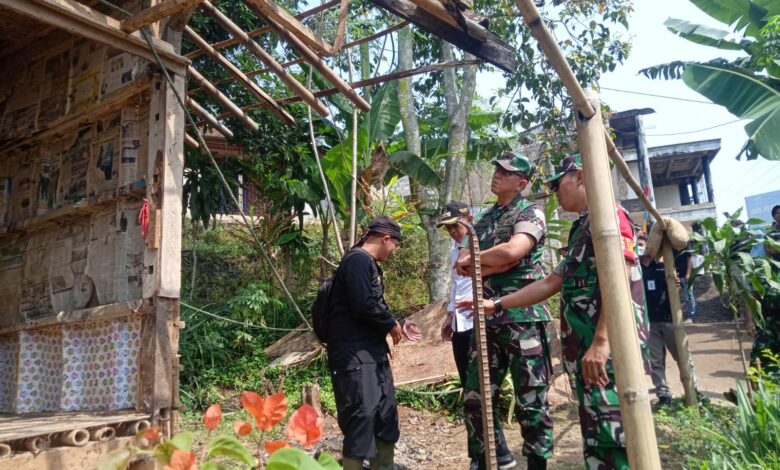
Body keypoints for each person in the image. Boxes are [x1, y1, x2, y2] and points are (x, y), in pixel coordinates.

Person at [459, 154, 650, 470]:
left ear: (581, 177)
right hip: (586, 344)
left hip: (606, 347)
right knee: (597, 434)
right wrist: (498, 303)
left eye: (558, 183)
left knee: (609, 434)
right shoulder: (584, 226)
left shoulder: (610, 219)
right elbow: (552, 281)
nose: (553, 192)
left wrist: (602, 343)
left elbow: (620, 281)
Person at [455, 152, 553, 470]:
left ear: (521, 183)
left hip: (523, 318)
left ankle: (538, 463)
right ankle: (486, 459)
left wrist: (479, 259)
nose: (496, 173)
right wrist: (488, 262)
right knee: (475, 396)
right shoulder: (483, 221)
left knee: (530, 402)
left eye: (505, 172)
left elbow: (514, 250)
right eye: (496, 168)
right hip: (486, 320)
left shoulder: (530, 212)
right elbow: (476, 267)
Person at [326, 216, 421, 470]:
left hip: (372, 354)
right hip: (353, 356)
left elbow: (372, 304)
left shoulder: (366, 263)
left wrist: (398, 321)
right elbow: (363, 304)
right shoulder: (357, 260)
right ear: (385, 238)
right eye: (395, 245)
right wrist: (390, 324)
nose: (394, 251)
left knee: (384, 413)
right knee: (361, 416)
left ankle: (384, 466)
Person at [437, 201, 516, 468]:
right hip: (461, 324)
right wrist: (450, 316)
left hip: (480, 322)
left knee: (482, 390)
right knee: (471, 391)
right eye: (447, 228)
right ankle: (489, 451)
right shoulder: (455, 251)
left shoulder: (483, 246)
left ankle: (494, 452)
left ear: (468, 220)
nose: (452, 232)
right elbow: (456, 287)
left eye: (455, 226)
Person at [637, 235, 704, 407]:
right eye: (638, 245)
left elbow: (678, 290)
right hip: (649, 323)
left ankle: (694, 389)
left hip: (669, 321)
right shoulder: (635, 272)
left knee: (682, 356)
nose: (642, 248)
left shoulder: (664, 268)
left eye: (644, 244)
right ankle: (663, 394)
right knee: (656, 360)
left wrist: (676, 283)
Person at [674, 241, 696, 323]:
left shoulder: (685, 247)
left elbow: (689, 261)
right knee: (677, 297)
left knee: (689, 296)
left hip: (685, 276)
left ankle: (691, 317)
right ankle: (678, 317)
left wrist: (688, 273)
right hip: (677, 277)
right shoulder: (672, 249)